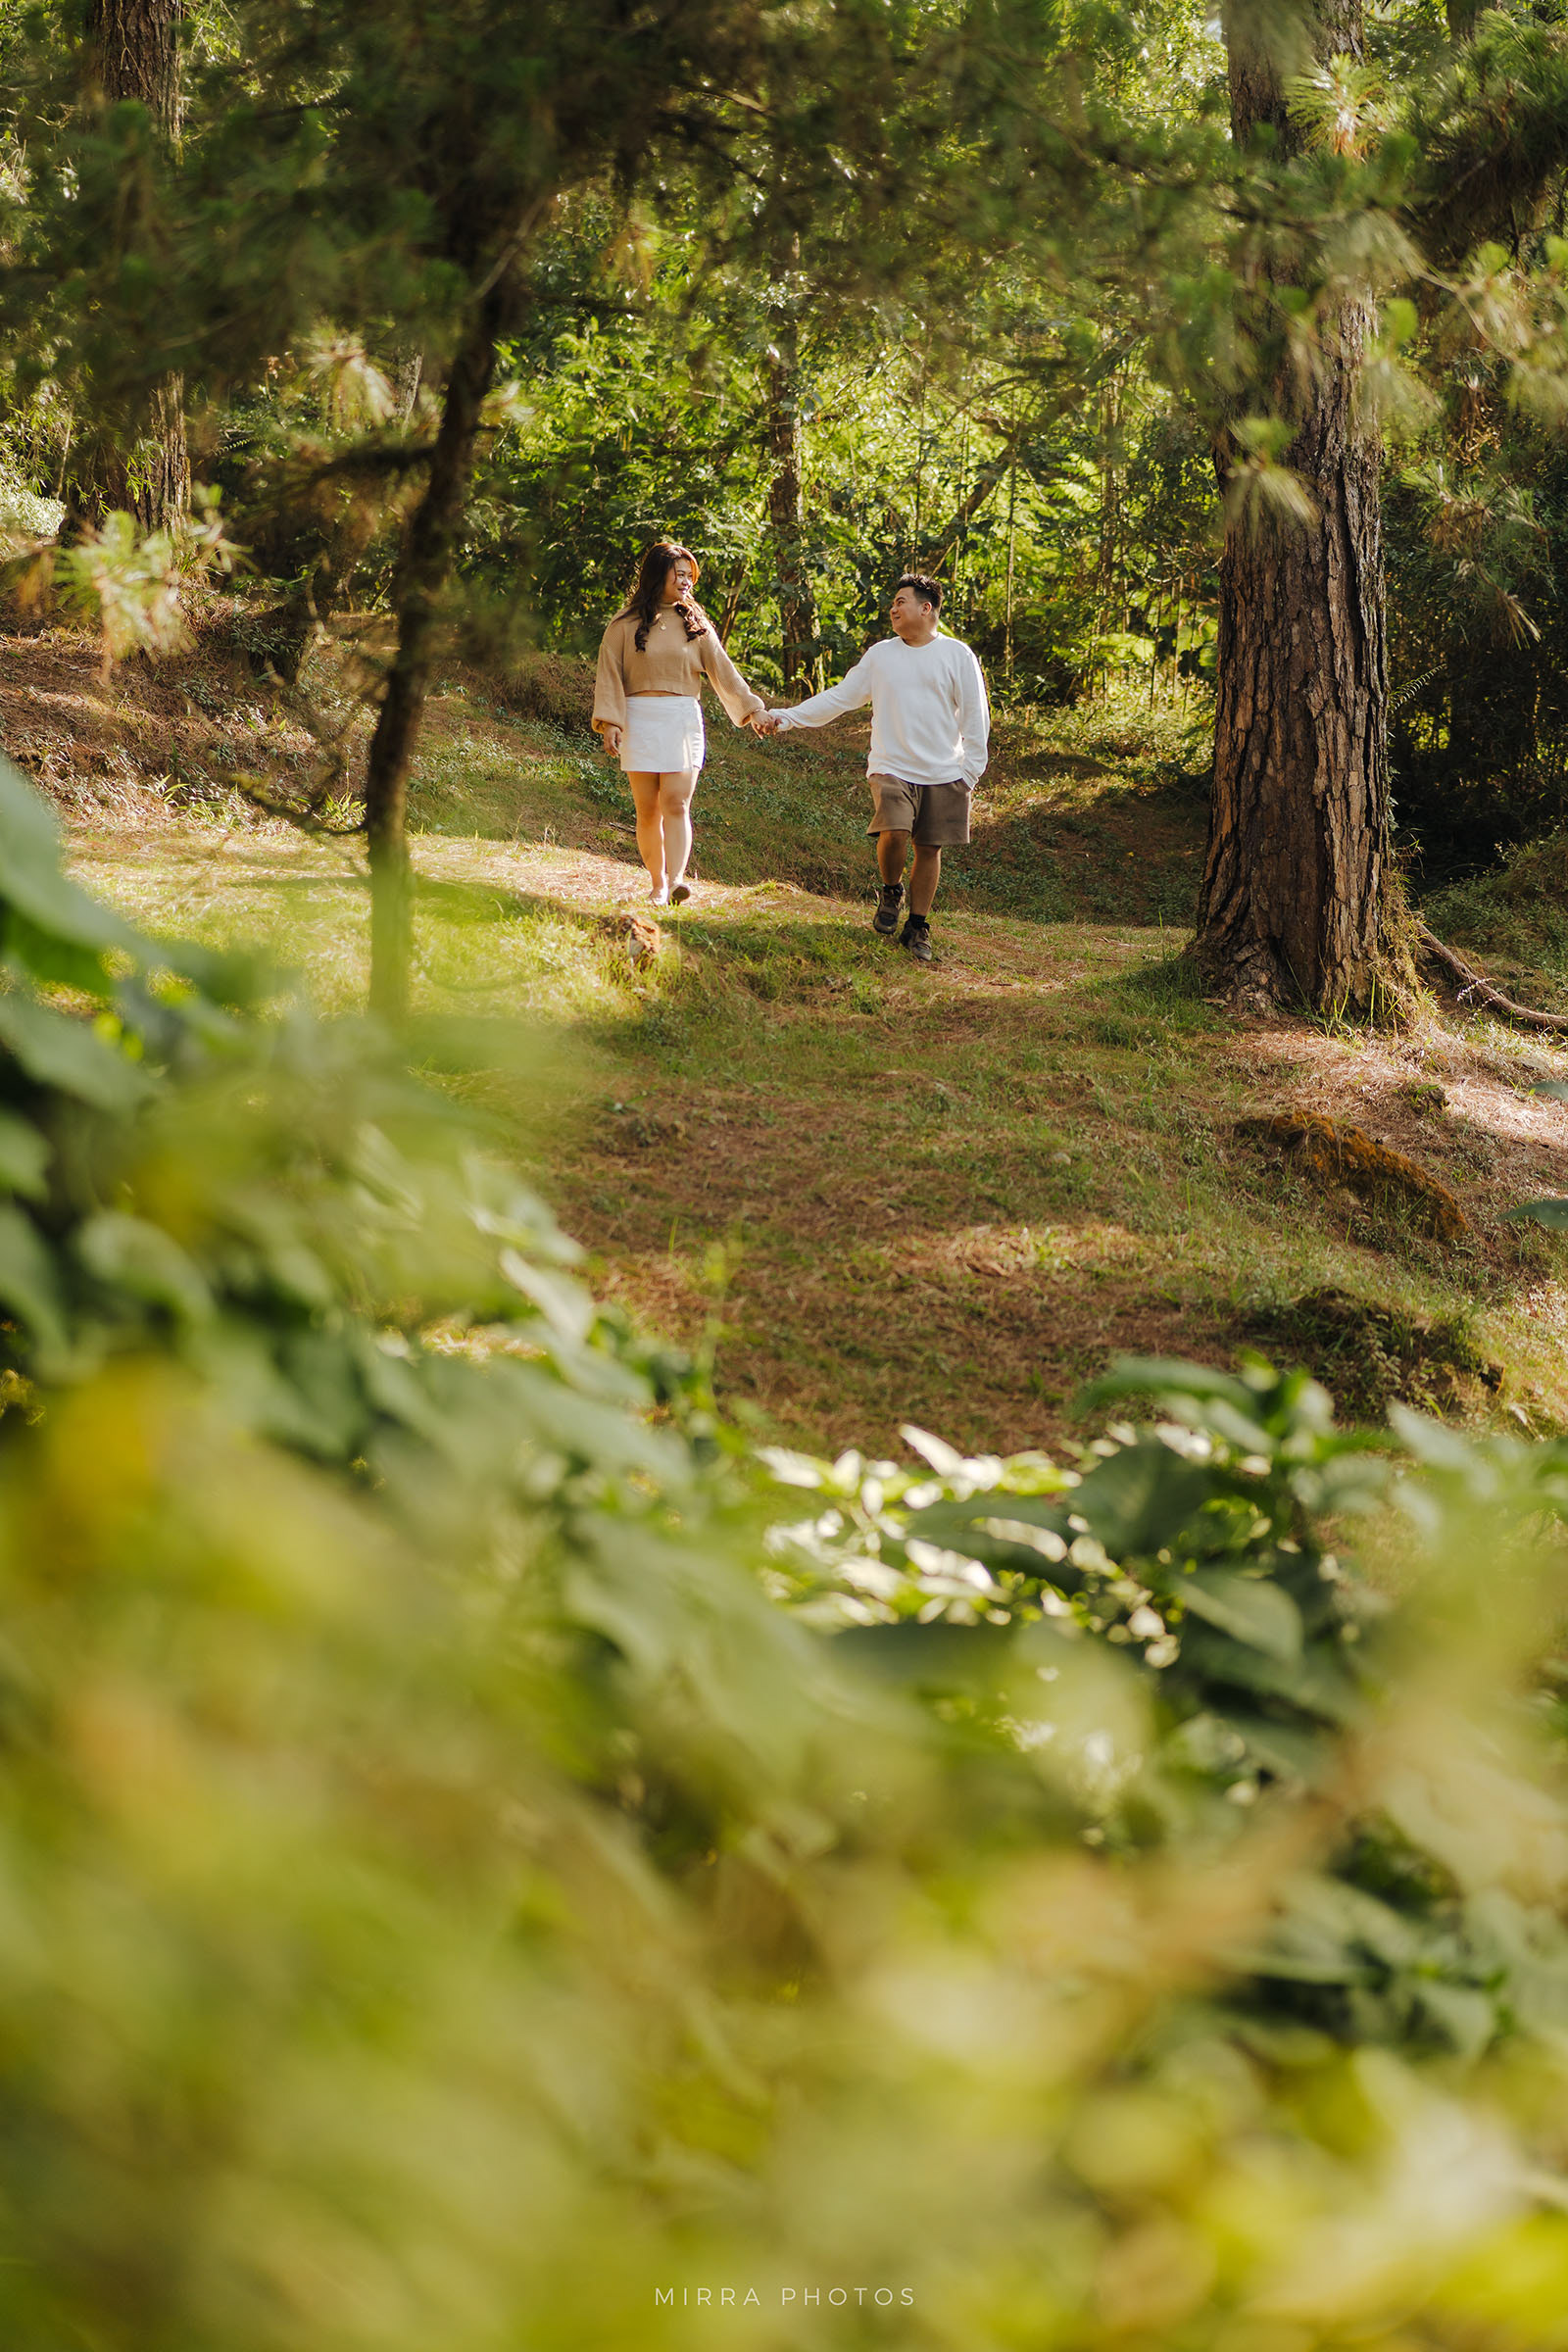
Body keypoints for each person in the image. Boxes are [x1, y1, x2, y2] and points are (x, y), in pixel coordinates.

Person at [755, 573, 989, 963]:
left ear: (926, 608)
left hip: (945, 772)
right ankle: (891, 890)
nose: (893, 609)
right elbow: (840, 698)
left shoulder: (957, 655)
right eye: (893, 603)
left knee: (928, 849)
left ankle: (917, 925)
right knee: (894, 832)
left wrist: (969, 773)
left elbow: (975, 717)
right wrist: (786, 717)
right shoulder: (881, 655)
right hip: (891, 766)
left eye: (901, 602)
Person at [592, 541, 767, 906]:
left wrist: (753, 710)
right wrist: (610, 721)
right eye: (680, 574)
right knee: (648, 810)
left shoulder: (695, 624)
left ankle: (676, 882)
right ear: (658, 575)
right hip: (638, 719)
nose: (687, 581)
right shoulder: (623, 624)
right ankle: (657, 885)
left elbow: (723, 671)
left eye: (690, 576)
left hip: (681, 720)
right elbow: (609, 674)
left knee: (676, 803)